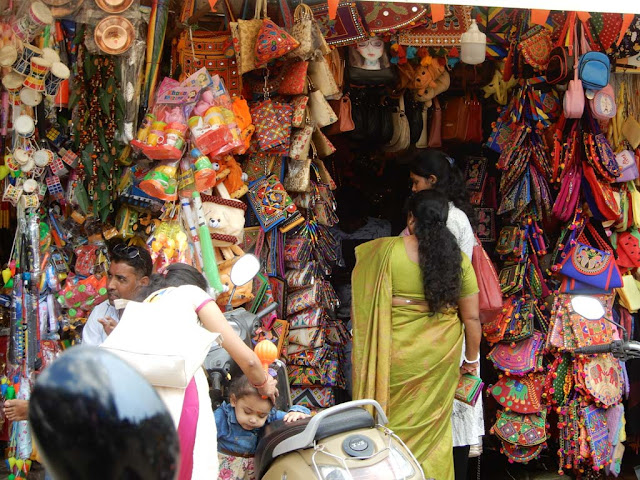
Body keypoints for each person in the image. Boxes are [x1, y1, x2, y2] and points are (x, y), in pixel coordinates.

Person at [351, 190, 481, 480]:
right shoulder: (457, 260)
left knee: (390, 422)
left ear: (411, 218)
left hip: (393, 354)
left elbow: (360, 286)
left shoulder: (384, 252)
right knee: (434, 431)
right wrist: (471, 360)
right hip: (440, 356)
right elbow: (471, 317)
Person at [132, 263, 279, 480]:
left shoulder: (147, 303)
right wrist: (262, 381)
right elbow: (247, 359)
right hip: (179, 392)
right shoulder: (191, 294)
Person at [404, 150, 484, 480]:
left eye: (415, 182)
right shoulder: (455, 217)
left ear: (432, 182)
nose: (412, 188)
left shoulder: (440, 220)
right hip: (453, 330)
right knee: (451, 414)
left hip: (438, 329)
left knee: (437, 413)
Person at [215, 375, 310, 480]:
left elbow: (291, 417)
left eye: (261, 416)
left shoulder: (270, 416)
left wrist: (296, 412)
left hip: (253, 469)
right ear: (234, 400)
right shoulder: (222, 417)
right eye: (247, 412)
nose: (253, 420)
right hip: (225, 469)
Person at [81, 243, 152, 345]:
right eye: (110, 276)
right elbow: (87, 358)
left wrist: (119, 340)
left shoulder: (154, 318)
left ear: (143, 283)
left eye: (121, 279)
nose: (110, 285)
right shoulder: (100, 311)